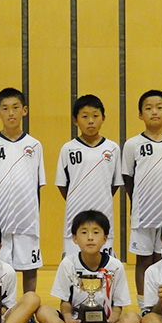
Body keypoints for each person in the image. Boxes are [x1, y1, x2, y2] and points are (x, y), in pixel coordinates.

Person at [0, 87, 45, 323]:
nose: (11, 113)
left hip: (27, 219)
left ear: (25, 110)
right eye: (5, 109)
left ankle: (28, 315)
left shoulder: (34, 145)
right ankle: (0, 313)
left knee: (29, 267)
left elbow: (38, 184)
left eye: (15, 107)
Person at [35, 210, 141, 323]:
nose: (90, 237)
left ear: (105, 238)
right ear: (74, 238)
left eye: (96, 232)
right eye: (84, 232)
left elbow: (118, 304)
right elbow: (65, 301)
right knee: (43, 311)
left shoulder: (116, 266)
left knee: (133, 319)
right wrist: (68, 318)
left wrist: (112, 320)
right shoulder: (68, 263)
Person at [122, 90, 162, 301]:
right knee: (143, 260)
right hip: (142, 215)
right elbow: (128, 177)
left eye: (159, 107)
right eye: (148, 108)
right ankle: (144, 305)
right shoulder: (132, 144)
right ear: (140, 115)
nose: (154, 112)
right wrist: (136, 202)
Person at [55, 95, 123, 257]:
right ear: (75, 120)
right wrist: (76, 199)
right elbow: (62, 184)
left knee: (103, 266)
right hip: (74, 216)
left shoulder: (113, 148)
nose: (90, 121)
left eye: (95, 116)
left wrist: (101, 197)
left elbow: (115, 184)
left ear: (103, 118)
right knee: (74, 265)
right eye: (85, 116)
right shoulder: (68, 149)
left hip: (104, 215)